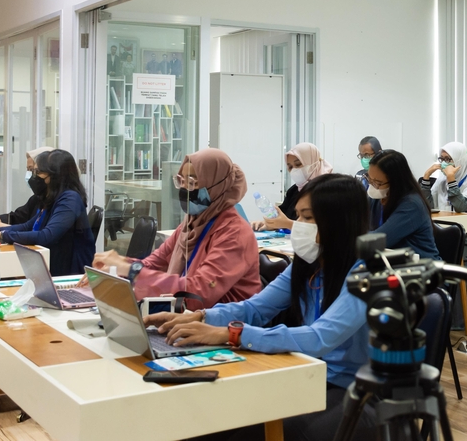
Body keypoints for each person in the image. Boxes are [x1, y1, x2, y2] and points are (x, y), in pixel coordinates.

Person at [146, 174, 375, 441]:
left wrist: (231, 334)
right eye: (297, 216)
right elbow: (256, 308)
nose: (298, 225)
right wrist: (200, 316)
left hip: (352, 389)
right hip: (305, 372)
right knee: (207, 418)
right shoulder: (308, 265)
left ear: (339, 221)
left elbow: (319, 338)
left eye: (308, 218)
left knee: (252, 431)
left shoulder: (366, 274)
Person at [88, 149, 260, 310]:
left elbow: (197, 293)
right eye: (181, 180)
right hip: (186, 319)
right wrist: (112, 269)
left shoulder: (234, 232)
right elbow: (154, 263)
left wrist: (131, 271)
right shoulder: (190, 224)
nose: (185, 188)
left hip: (223, 330)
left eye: (192, 181)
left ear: (217, 185)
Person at [0, 149, 94, 276]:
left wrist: (0, 236)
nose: (34, 176)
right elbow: (28, 226)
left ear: (56, 175)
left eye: (38, 172)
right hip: (46, 265)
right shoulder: (52, 198)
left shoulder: (70, 199)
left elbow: (47, 236)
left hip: (67, 275)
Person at [419, 141, 467, 330]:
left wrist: (451, 180)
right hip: (446, 236)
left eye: (449, 159)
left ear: (459, 160)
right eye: (442, 159)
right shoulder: (441, 179)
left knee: (462, 283)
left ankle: (459, 323)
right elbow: (427, 205)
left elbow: (461, 206)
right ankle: (437, 318)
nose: (444, 164)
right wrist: (426, 178)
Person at [368, 149, 440, 259]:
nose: (373, 186)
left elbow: (380, 240)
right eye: (369, 179)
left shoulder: (411, 205)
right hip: (392, 263)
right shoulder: (378, 198)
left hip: (421, 268)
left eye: (378, 183)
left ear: (396, 182)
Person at [253, 142, 332, 231]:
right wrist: (268, 224)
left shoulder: (328, 190)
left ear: (312, 161)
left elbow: (325, 229)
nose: (294, 170)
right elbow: (282, 216)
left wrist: (286, 224)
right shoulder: (294, 190)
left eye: (298, 164)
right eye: (290, 167)